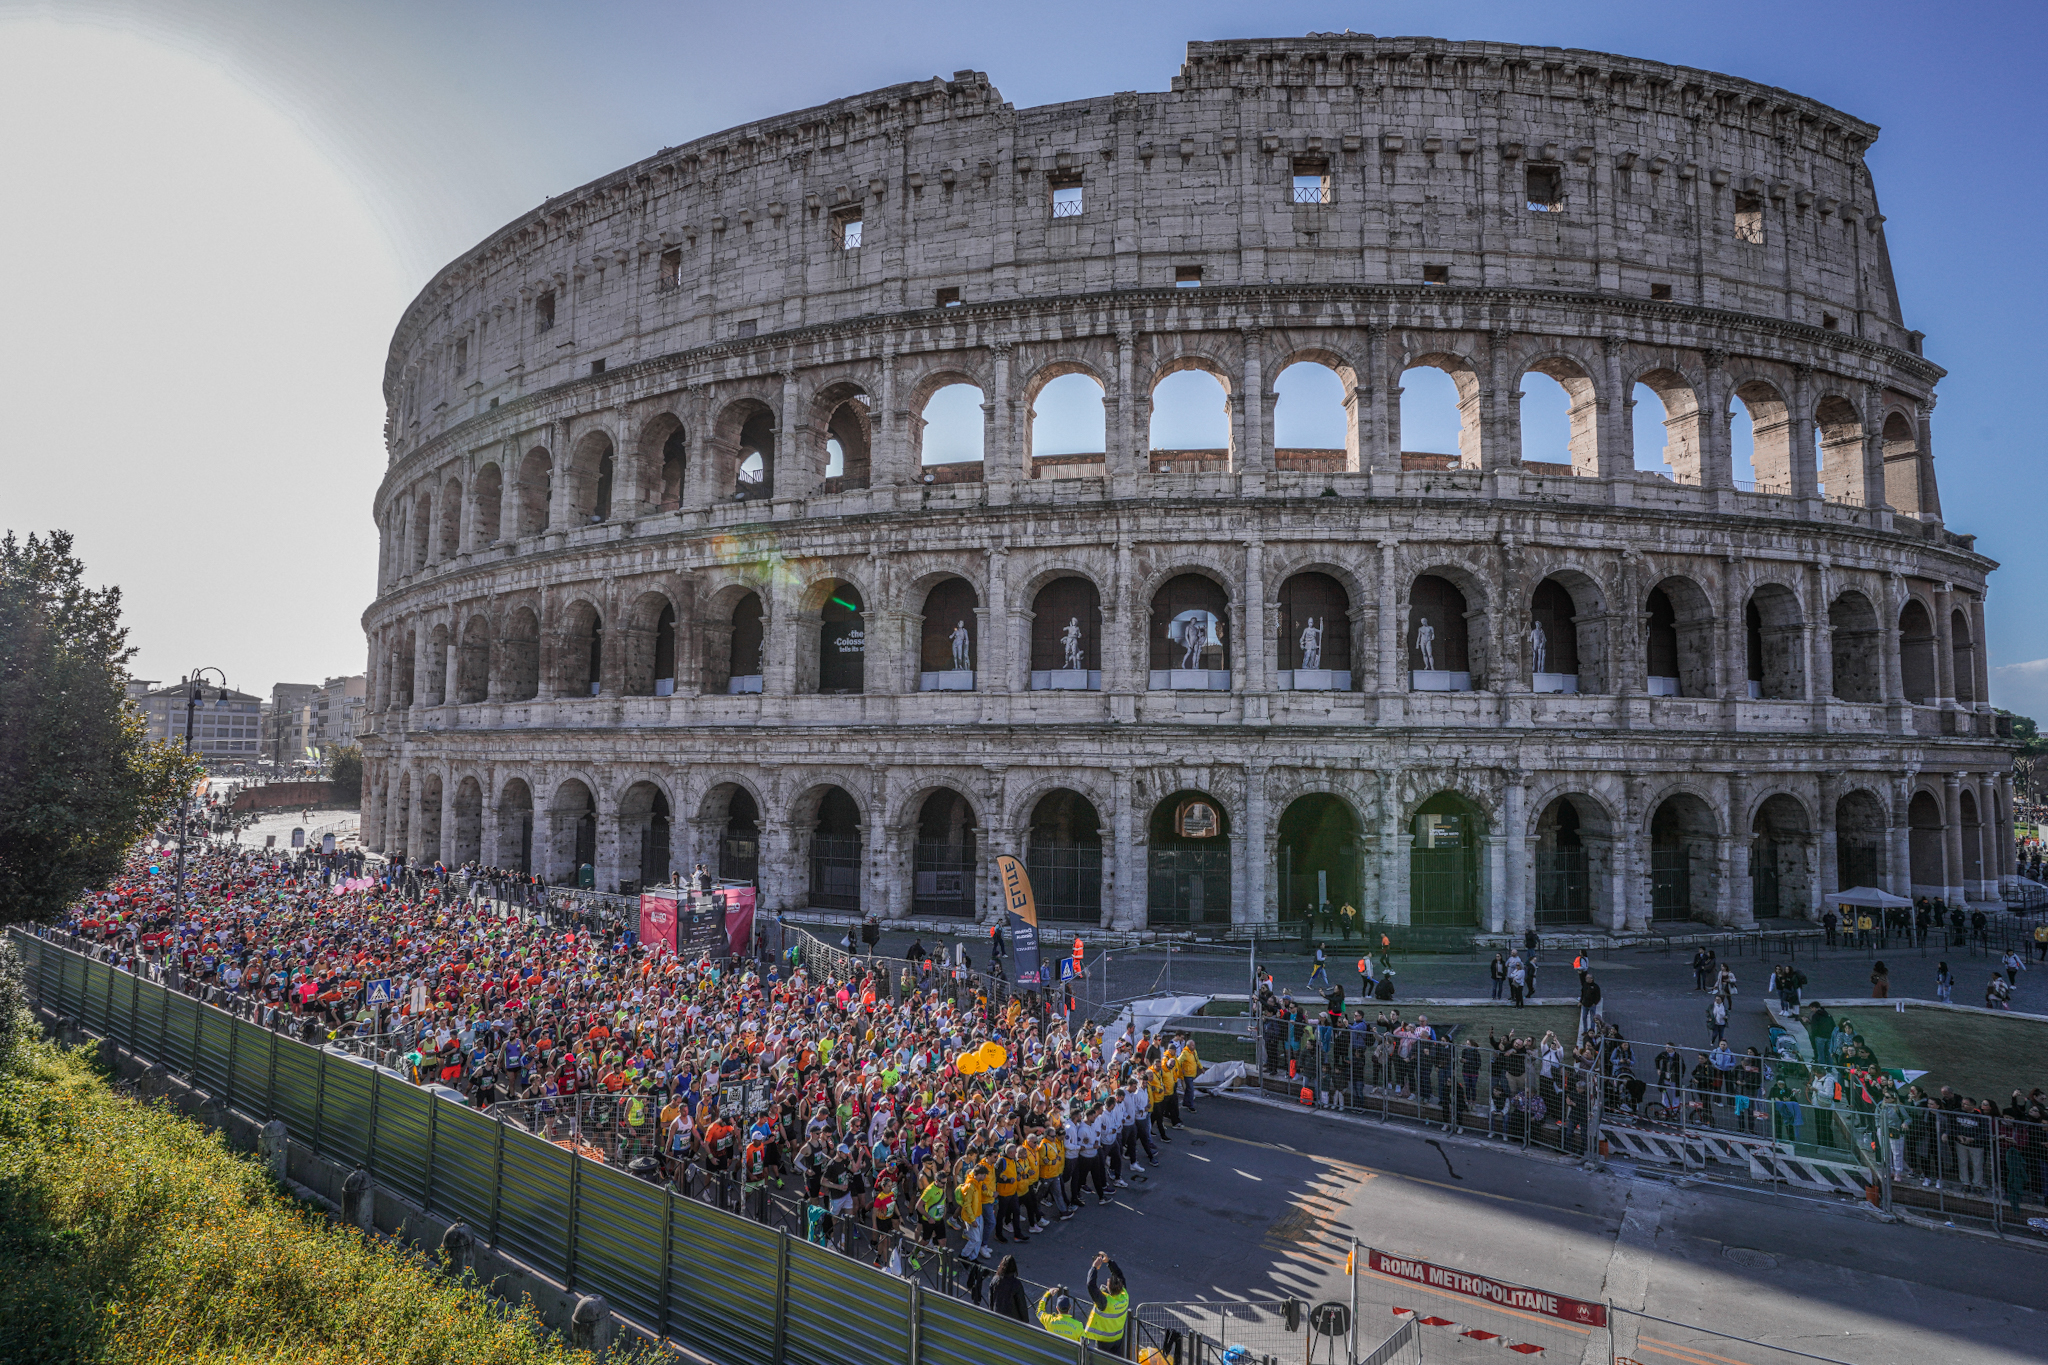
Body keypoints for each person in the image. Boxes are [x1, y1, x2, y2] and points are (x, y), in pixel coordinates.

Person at [1083, 1252, 1130, 1357]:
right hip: (1118, 1337)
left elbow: (1091, 1285)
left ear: (1109, 1288)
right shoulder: (1124, 1295)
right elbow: (1120, 1275)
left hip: (1104, 1340)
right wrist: (1109, 1262)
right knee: (1116, 1360)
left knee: (1102, 1360)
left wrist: (1094, 1267)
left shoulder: (1105, 1302)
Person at [989, 1254, 1029, 1321]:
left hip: (997, 1316)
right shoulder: (1016, 1284)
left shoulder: (995, 1280)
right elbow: (1021, 1305)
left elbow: (991, 1300)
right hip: (1012, 1320)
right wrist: (1026, 1321)